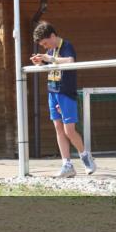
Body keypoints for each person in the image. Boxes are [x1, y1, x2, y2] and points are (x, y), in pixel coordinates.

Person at [30, 21, 96, 178]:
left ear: (52, 36)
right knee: (58, 129)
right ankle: (67, 164)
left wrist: (49, 58)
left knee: (69, 131)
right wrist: (40, 62)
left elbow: (70, 61)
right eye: (43, 45)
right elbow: (50, 63)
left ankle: (86, 157)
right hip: (52, 91)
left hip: (65, 93)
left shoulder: (66, 45)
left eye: (45, 43)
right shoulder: (51, 50)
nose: (45, 47)